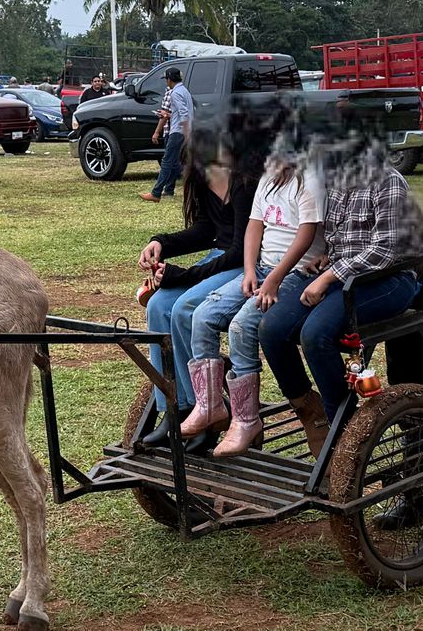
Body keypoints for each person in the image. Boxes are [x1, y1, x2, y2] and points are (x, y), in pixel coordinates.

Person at [256, 138, 423, 452]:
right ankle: (311, 412)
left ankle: (343, 426)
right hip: (347, 275)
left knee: (316, 333)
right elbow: (339, 238)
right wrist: (328, 259)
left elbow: (385, 251)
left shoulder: (388, 181)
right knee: (272, 328)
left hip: (390, 279)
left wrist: (329, 276)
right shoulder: (338, 184)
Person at [191, 130, 322, 452]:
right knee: (203, 316)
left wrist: (273, 279)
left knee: (242, 325)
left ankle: (247, 420)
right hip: (263, 268)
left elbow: (306, 235)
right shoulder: (269, 177)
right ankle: (210, 405)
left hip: (296, 271)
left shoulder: (309, 179)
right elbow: (254, 225)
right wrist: (250, 270)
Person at [134, 129, 257, 441]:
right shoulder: (203, 180)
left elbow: (239, 250)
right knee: (159, 305)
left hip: (244, 263)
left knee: (186, 307)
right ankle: (177, 408)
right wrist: (160, 242)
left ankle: (207, 405)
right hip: (221, 257)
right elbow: (205, 231)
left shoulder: (245, 183)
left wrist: (185, 276)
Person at [145, 66, 192, 203]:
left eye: (166, 79)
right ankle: (170, 189)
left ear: (169, 79)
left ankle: (156, 193)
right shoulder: (184, 91)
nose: (166, 81)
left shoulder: (175, 93)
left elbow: (184, 113)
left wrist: (185, 132)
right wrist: (168, 114)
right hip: (182, 130)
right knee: (178, 163)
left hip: (178, 131)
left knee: (167, 161)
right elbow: (185, 112)